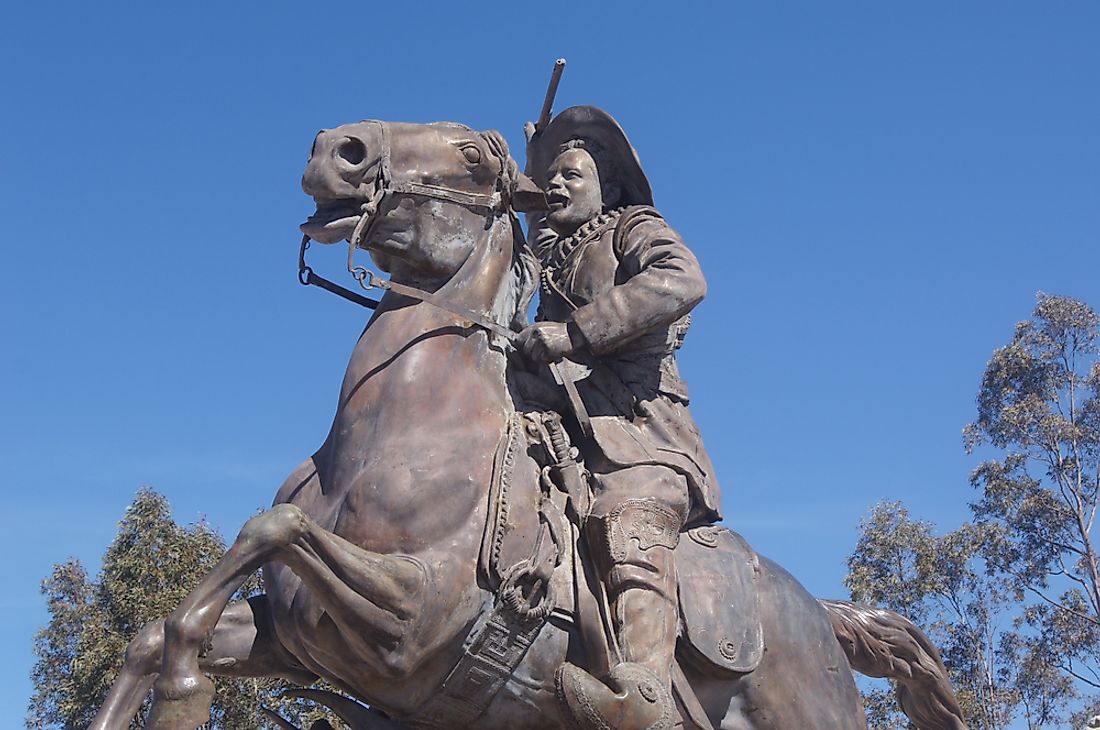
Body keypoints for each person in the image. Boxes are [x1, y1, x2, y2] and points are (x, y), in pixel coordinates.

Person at [517, 106, 722, 728]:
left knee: (629, 517)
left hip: (640, 433)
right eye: (550, 179)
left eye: (571, 176)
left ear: (607, 184)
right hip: (565, 427)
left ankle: (647, 695)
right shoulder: (550, 253)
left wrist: (574, 332)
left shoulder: (634, 227)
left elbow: (683, 280)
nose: (556, 187)